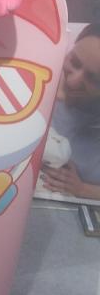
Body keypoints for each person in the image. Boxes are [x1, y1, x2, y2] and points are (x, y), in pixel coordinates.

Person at [41, 24, 100, 200]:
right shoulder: (37, 77)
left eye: (94, 79)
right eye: (74, 62)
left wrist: (83, 189)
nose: (73, 81)